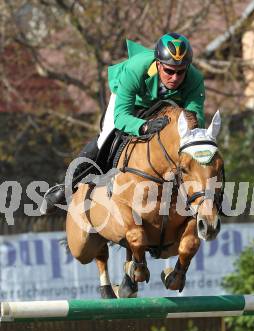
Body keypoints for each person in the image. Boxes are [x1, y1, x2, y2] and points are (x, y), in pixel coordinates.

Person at [41, 32, 205, 215]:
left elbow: (195, 119)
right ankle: (66, 186)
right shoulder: (136, 68)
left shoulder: (195, 78)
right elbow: (121, 117)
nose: (175, 77)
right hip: (130, 102)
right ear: (158, 64)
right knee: (107, 135)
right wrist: (143, 127)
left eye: (181, 71)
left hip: (163, 106)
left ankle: (211, 197)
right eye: (169, 71)